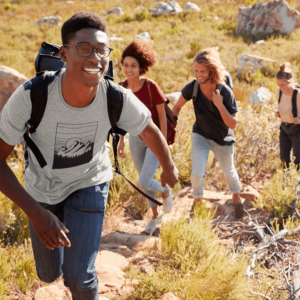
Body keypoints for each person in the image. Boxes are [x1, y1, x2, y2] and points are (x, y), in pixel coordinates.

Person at [0, 12, 178, 300]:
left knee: (79, 277)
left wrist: (168, 168)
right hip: (41, 189)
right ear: (64, 54)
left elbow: (149, 130)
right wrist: (34, 211)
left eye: (101, 50)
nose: (95, 57)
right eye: (83, 48)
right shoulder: (33, 95)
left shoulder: (115, 96)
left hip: (90, 182)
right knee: (48, 274)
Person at [172, 47, 244, 219]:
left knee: (229, 172)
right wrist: (169, 128)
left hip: (222, 138)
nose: (198, 75)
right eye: (196, 71)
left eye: (202, 71)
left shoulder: (225, 91)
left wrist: (219, 105)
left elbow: (233, 124)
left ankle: (236, 199)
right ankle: (196, 205)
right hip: (201, 135)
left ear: (212, 71)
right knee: (197, 173)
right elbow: (176, 107)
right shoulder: (193, 87)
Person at [117, 39, 173, 234]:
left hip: (154, 139)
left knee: (144, 181)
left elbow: (163, 117)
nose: (129, 69)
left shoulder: (150, 86)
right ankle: (156, 216)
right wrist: (121, 140)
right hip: (134, 138)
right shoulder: (121, 87)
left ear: (142, 67)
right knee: (144, 180)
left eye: (133, 66)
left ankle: (165, 192)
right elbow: (120, 117)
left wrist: (163, 142)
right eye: (126, 65)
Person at [275, 62, 300, 169]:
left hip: (297, 131)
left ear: (290, 82)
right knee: (284, 160)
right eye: (278, 85)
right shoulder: (279, 91)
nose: (280, 87)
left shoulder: (297, 94)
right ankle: (285, 182)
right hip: (284, 129)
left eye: (282, 85)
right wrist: (278, 113)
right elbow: (282, 107)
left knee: (298, 161)